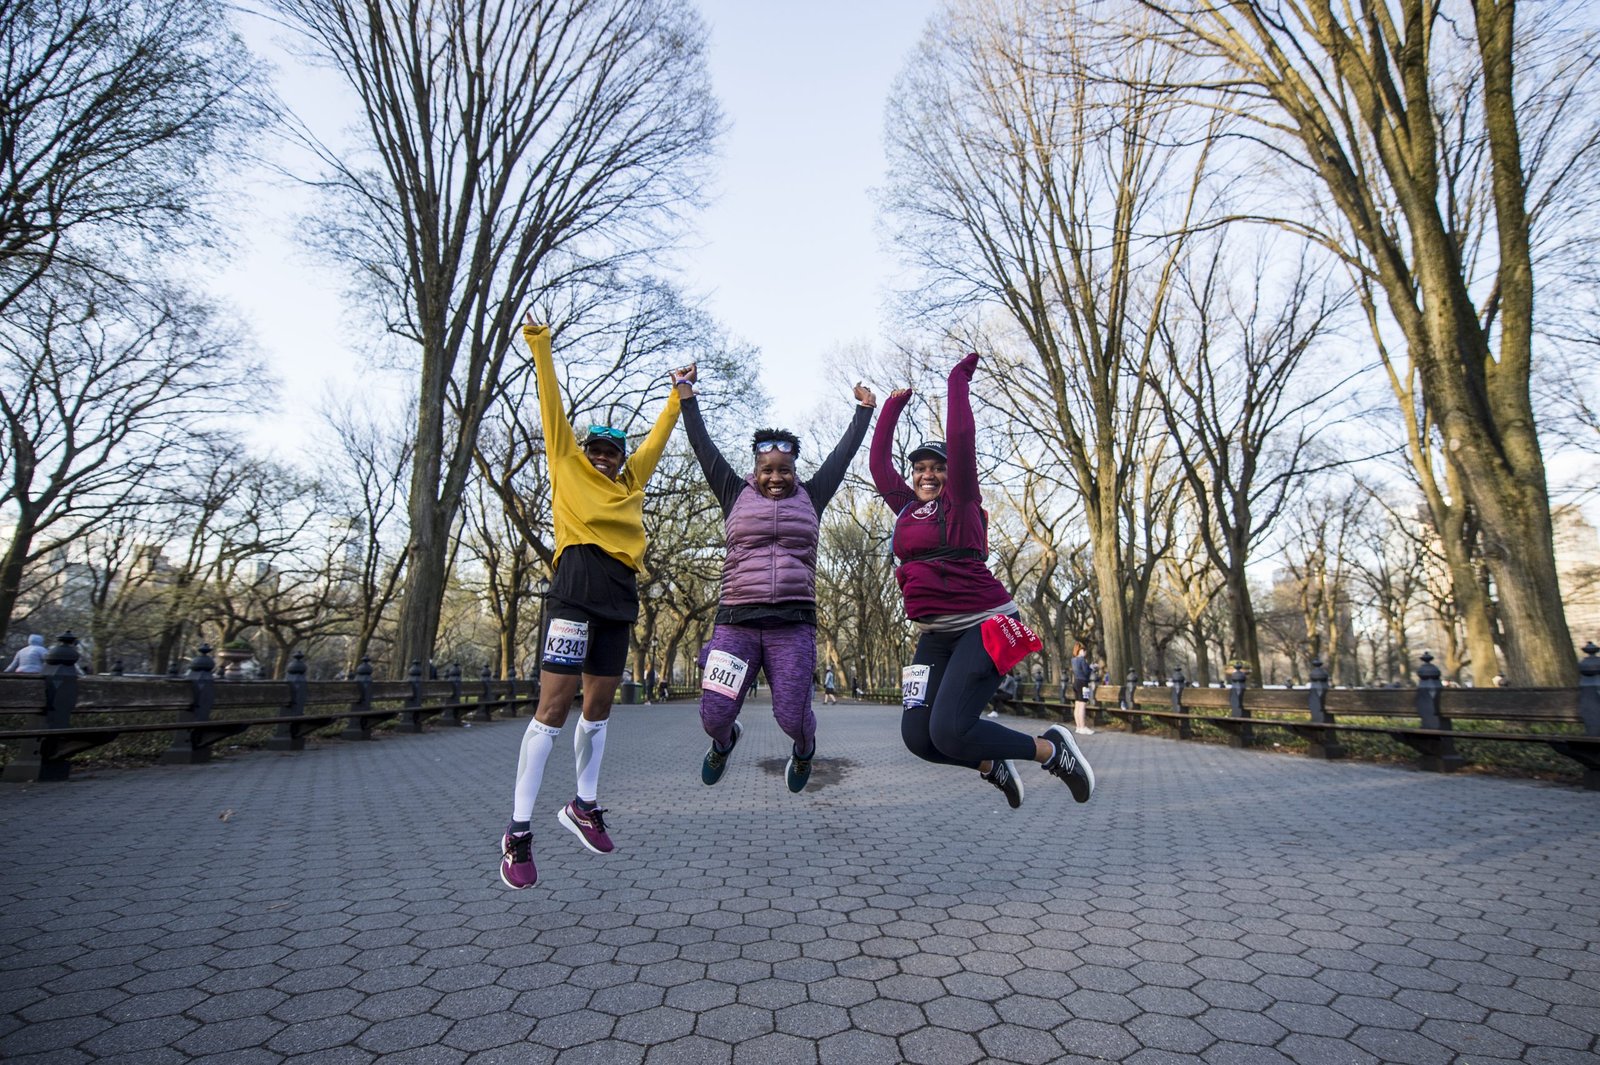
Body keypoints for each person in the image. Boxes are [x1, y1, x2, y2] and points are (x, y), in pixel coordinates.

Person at [500, 314, 686, 891]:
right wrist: (540, 345)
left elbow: (656, 441)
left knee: (599, 707)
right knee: (554, 708)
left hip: (619, 594)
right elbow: (550, 407)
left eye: (612, 452)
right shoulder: (567, 464)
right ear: (584, 451)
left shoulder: (631, 482)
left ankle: (583, 805)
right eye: (597, 450)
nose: (603, 457)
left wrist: (678, 395)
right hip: (575, 589)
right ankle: (518, 832)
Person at [870, 352, 1094, 810]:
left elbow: (960, 438)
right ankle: (992, 764)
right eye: (920, 468)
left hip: (985, 623)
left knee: (951, 730)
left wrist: (957, 380)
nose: (928, 474)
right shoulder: (907, 508)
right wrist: (891, 406)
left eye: (937, 467)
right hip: (935, 635)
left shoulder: (962, 501)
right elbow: (878, 467)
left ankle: (1051, 750)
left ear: (951, 474)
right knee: (920, 738)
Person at [677, 366, 875, 792]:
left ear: (794, 470)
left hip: (792, 624)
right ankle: (724, 742)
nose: (775, 478)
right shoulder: (733, 492)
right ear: (756, 468)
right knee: (714, 715)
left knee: (792, 717)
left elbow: (842, 456)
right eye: (767, 469)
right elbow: (702, 445)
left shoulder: (813, 495)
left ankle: (804, 751)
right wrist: (685, 393)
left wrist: (863, 412)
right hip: (736, 622)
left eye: (784, 470)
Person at [1070, 642, 1095, 736]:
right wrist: (1091, 668)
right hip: (1083, 683)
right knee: (1082, 705)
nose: (1085, 652)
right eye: (1084, 650)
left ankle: (1078, 726)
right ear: (1080, 651)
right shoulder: (1082, 660)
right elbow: (1086, 672)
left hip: (1076, 682)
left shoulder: (1073, 660)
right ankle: (1083, 727)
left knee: (1077, 705)